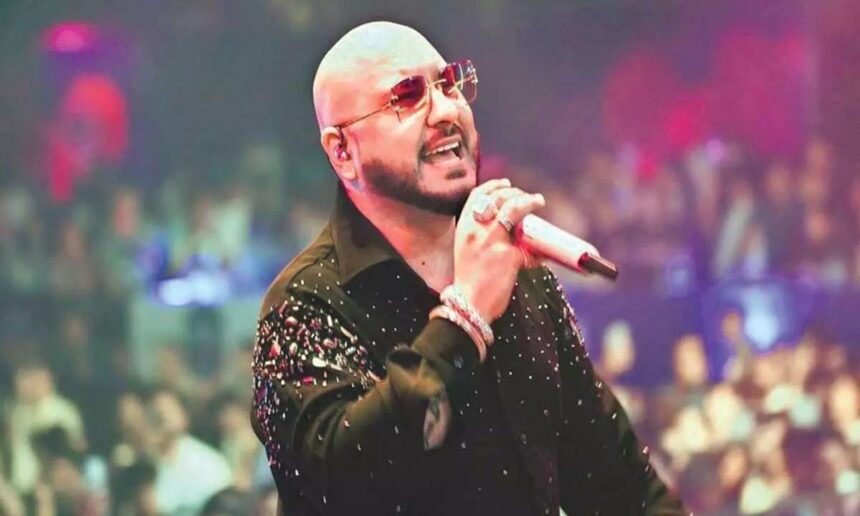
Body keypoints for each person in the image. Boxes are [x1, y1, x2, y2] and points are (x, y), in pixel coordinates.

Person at [250, 21, 685, 515]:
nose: (446, 110)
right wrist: (465, 318)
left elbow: (618, 485)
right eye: (407, 95)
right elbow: (342, 485)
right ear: (343, 152)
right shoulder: (305, 303)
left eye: (449, 83)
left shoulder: (519, 275)